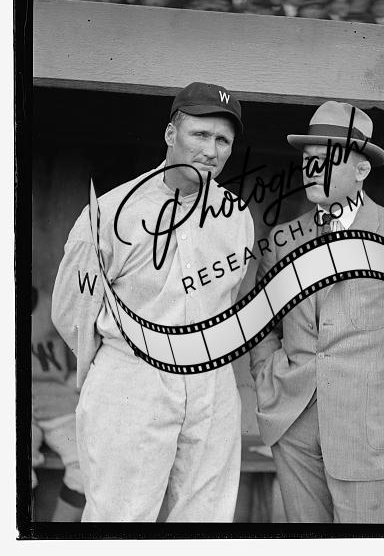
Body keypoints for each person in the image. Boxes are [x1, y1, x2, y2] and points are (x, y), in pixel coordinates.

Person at [250, 101, 384, 523]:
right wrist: (267, 374)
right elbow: (261, 323)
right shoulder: (282, 238)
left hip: (365, 427)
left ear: (361, 169)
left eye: (327, 160)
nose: (312, 169)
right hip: (292, 422)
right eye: (308, 159)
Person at [52, 82, 254, 522]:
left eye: (223, 141)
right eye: (200, 135)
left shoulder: (237, 215)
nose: (211, 151)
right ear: (170, 134)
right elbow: (72, 313)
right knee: (120, 518)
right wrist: (118, 370)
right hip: (134, 377)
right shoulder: (112, 212)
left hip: (211, 382)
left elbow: (226, 297)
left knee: (207, 518)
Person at [32, 286, 86, 521]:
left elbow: (79, 355)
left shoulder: (52, 304)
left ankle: (54, 535)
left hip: (56, 400)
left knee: (86, 466)